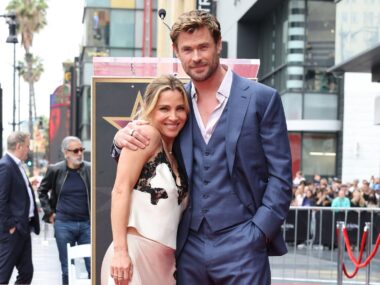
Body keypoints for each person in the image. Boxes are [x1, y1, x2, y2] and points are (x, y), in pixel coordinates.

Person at [112, 10, 292, 285]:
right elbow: (144, 142)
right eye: (187, 49)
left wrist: (259, 232)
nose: (195, 57)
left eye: (203, 47)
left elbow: (281, 177)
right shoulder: (176, 101)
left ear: (219, 44)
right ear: (176, 51)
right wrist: (118, 140)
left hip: (244, 244)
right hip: (188, 248)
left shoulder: (261, 99)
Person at [101, 74, 189, 285]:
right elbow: (120, 190)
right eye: (164, 109)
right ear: (150, 109)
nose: (173, 116)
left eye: (180, 108)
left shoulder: (176, 152)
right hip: (132, 258)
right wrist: (121, 253)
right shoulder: (145, 135)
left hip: (165, 264)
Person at [38, 136, 91, 285]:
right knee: (67, 268)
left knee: (93, 265)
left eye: (81, 149)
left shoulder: (89, 169)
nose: (80, 153)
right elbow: (42, 191)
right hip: (64, 224)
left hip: (86, 224)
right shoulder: (56, 170)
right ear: (66, 153)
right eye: (75, 150)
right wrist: (49, 213)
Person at [0, 131, 40, 284]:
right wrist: (11, 225)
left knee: (26, 272)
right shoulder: (5, 166)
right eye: (27, 146)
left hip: (23, 227)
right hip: (13, 231)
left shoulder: (16, 165)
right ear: (18, 146)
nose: (28, 150)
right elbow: (1, 200)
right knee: (3, 275)